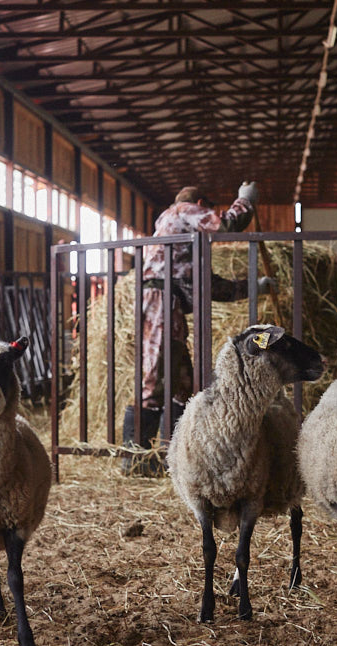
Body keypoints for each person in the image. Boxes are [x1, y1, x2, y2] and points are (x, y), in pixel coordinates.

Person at [123, 182, 274, 472]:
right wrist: (244, 201)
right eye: (208, 210)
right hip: (161, 302)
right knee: (154, 378)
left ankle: (174, 456)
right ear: (200, 204)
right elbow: (226, 225)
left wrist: (252, 287)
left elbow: (208, 285)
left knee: (182, 384)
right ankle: (134, 459)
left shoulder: (181, 244)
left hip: (169, 305)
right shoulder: (182, 211)